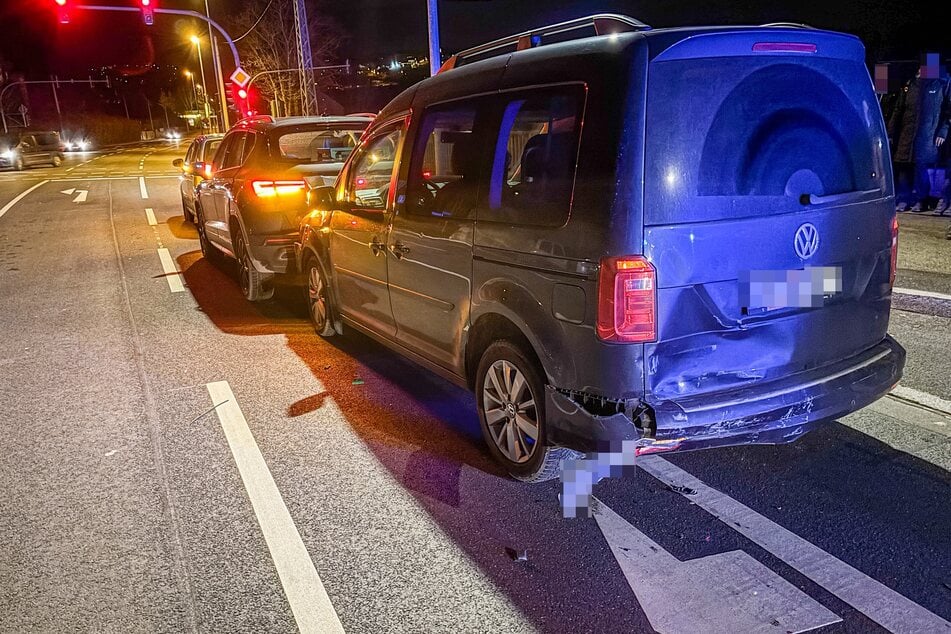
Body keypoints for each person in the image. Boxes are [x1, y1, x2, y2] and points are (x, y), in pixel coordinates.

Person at [888, 54, 951, 212]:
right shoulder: (911, 84)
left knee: (920, 167)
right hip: (907, 133)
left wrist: (942, 131)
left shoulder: (941, 83)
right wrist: (890, 132)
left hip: (927, 134)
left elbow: (948, 111)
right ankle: (904, 198)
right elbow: (898, 110)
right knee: (903, 166)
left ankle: (921, 199)